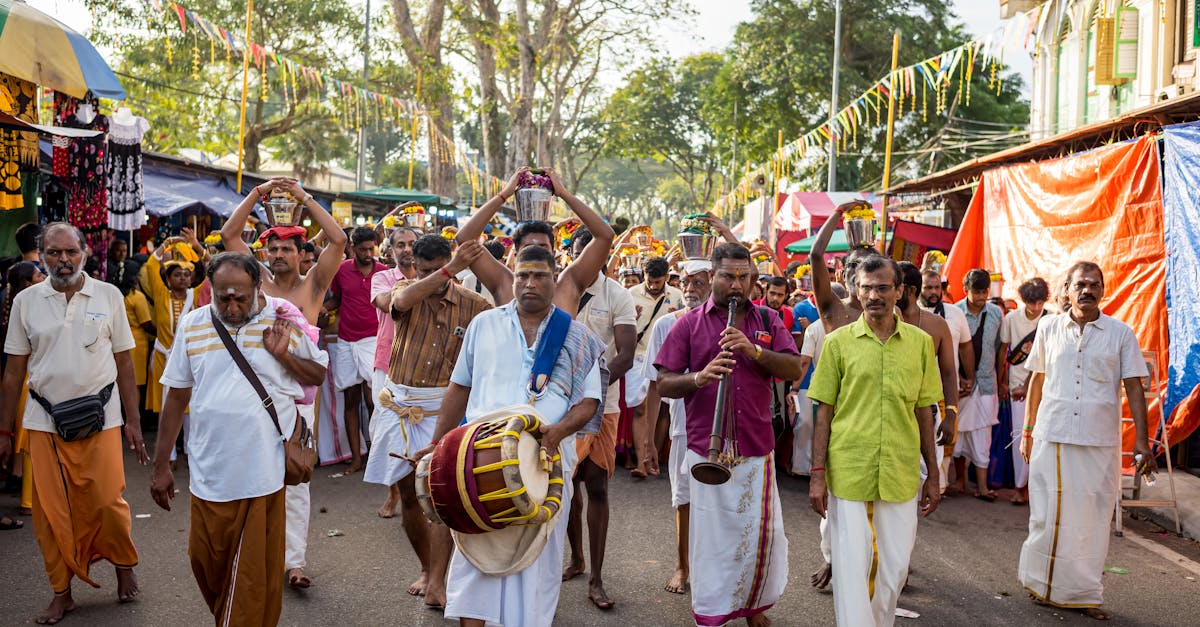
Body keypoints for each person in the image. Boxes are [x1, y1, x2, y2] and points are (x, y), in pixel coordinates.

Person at [421, 245, 604, 627]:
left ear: (556, 281)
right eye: (522, 275)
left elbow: (588, 404)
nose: (530, 283)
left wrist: (557, 433)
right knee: (476, 558)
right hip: (478, 461)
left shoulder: (576, 336)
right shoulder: (484, 324)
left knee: (536, 567)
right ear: (512, 278)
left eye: (540, 275)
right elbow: (459, 387)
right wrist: (437, 445)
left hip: (545, 465)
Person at [151, 252, 328, 626]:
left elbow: (316, 375)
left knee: (250, 580)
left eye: (241, 298)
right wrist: (161, 464)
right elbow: (177, 396)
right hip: (207, 472)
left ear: (257, 288)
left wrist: (285, 357)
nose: (232, 306)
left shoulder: (282, 325)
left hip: (261, 474)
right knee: (206, 563)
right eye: (223, 297)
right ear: (210, 290)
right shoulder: (193, 324)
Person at [0, 222, 148, 625]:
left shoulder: (109, 294)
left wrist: (133, 421)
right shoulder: (27, 301)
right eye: (53, 253)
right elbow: (14, 372)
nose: (62, 260)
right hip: (43, 420)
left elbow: (122, 362)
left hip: (102, 417)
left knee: (105, 501)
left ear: (85, 252)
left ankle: (122, 562)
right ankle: (61, 592)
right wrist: (4, 430)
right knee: (50, 513)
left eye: (70, 252)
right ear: (42, 255)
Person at [655, 243, 802, 627]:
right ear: (711, 278)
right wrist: (698, 378)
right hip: (707, 449)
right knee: (712, 543)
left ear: (753, 278)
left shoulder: (768, 320)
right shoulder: (688, 323)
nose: (736, 284)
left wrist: (754, 352)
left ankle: (754, 608)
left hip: (755, 447)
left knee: (758, 536)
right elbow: (664, 383)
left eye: (743, 277)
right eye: (727, 276)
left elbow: (793, 369)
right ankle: (712, 614)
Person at [220, 178, 347, 590]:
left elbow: (339, 238)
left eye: (286, 249)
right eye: (271, 249)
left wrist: (302, 197)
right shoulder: (256, 283)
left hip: (299, 396)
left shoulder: (313, 285)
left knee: (296, 475)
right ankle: (252, 554)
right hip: (254, 394)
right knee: (251, 473)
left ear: (300, 252)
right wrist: (259, 193)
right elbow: (228, 235)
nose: (277, 255)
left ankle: (294, 562)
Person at [807, 255, 942, 627]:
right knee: (852, 568)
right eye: (866, 287)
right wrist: (817, 473)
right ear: (855, 290)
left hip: (900, 471)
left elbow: (925, 411)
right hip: (849, 468)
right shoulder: (837, 343)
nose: (874, 295)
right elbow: (824, 411)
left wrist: (934, 472)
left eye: (883, 287)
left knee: (895, 568)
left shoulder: (920, 344)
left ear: (901, 291)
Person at [1016, 263, 1150, 620]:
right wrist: (1028, 431)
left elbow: (1135, 385)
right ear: (1068, 289)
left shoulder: (1120, 333)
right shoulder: (1047, 327)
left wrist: (1142, 439)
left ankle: (1082, 594)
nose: (1087, 290)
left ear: (1103, 290)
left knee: (1091, 519)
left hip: (1097, 438)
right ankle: (1041, 585)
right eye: (1081, 284)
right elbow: (1037, 381)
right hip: (1052, 432)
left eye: (1094, 285)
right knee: (1047, 514)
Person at [364, 234, 491, 608]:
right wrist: (449, 271)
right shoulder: (404, 291)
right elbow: (400, 301)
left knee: (438, 496)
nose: (435, 279)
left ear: (449, 265)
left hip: (443, 410)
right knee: (408, 495)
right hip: (400, 405)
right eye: (426, 271)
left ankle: (438, 580)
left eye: (441, 270)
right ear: (415, 269)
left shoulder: (475, 306)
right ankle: (427, 568)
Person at [562, 226, 638, 610]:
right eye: (579, 253)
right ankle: (575, 559)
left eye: (592, 253)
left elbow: (625, 353)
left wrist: (589, 385)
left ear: (603, 258)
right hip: (560, 406)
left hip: (603, 404)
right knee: (565, 488)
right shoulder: (561, 291)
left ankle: (597, 577)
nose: (585, 260)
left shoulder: (618, 295)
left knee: (597, 486)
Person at [455, 167, 615, 317]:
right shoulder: (503, 282)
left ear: (553, 253)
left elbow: (605, 236)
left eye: (542, 247)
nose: (536, 252)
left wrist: (564, 194)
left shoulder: (569, 284)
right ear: (516, 254)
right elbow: (464, 239)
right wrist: (504, 194)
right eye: (528, 247)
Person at [643, 259, 712, 595]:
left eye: (698, 282)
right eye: (684, 282)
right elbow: (656, 387)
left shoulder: (726, 324)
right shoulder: (666, 325)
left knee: (720, 504)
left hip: (721, 430)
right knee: (683, 500)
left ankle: (715, 571)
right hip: (683, 430)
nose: (689, 289)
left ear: (713, 283)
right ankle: (683, 567)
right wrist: (647, 444)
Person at [366, 226, 419, 520]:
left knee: (420, 432)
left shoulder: (431, 276)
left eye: (412, 244)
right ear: (391, 250)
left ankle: (417, 493)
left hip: (425, 366)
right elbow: (387, 303)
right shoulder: (382, 278)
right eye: (401, 244)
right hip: (388, 364)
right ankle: (395, 491)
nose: (407, 249)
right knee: (385, 430)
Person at [326, 226, 387, 474]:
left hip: (373, 340)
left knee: (375, 401)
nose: (368, 253)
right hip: (345, 342)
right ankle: (356, 459)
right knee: (350, 402)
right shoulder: (341, 271)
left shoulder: (384, 272)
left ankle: (378, 456)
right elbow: (336, 300)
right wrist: (322, 308)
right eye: (362, 249)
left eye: (371, 248)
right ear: (352, 248)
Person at [896, 261, 960, 483]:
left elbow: (950, 373)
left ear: (911, 290)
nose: (888, 291)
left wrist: (951, 413)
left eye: (895, 285)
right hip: (889, 411)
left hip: (925, 413)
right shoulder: (877, 321)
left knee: (922, 484)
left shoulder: (936, 325)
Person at [626, 256, 685, 477]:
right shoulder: (630, 295)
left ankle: (654, 457)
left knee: (664, 412)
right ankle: (642, 462)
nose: (652, 286)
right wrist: (633, 319)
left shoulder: (678, 297)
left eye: (657, 282)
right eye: (649, 281)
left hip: (667, 360)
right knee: (641, 408)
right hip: (639, 357)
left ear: (667, 278)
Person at [919, 269, 976, 492]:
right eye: (928, 288)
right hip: (921, 387)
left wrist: (967, 377)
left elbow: (965, 346)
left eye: (936, 287)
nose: (933, 292)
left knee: (947, 436)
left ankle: (939, 485)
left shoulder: (954, 313)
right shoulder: (913, 313)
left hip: (947, 386)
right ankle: (924, 482)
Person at [953, 269, 1004, 500]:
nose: (983, 296)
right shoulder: (955, 313)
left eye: (985, 291)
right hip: (959, 384)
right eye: (977, 292)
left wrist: (1001, 380)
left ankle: (982, 488)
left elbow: (998, 349)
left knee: (983, 435)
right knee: (958, 433)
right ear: (966, 290)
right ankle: (960, 481)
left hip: (985, 384)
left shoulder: (996, 314)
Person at [998, 277, 1049, 506]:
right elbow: (1002, 350)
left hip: (1043, 386)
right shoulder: (1011, 319)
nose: (1036, 308)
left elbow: (1044, 360)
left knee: (1042, 436)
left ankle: (1032, 487)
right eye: (1032, 303)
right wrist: (1002, 382)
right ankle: (1020, 486)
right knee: (1022, 435)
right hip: (1016, 384)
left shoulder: (1050, 321)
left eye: (1040, 303)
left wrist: (1027, 385)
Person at [1, 261, 44, 526]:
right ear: (27, 283)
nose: (44, 277)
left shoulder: (19, 307)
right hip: (29, 383)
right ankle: (29, 502)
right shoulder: (30, 309)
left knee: (28, 444)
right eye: (39, 274)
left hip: (23, 382)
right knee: (31, 445)